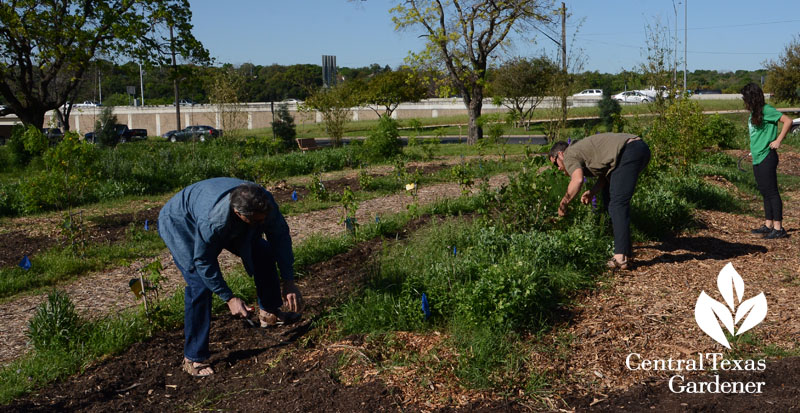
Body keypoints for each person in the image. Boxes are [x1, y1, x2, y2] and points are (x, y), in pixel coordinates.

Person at [158, 177, 303, 377]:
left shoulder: (265, 205)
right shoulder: (212, 222)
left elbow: (280, 237)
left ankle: (269, 312)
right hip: (181, 222)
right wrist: (229, 298)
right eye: (256, 221)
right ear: (239, 214)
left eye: (263, 219)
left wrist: (289, 280)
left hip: (214, 210)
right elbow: (203, 261)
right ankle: (193, 357)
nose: (262, 224)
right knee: (199, 284)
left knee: (263, 250)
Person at [549, 133, 651, 270]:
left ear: (560, 154)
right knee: (610, 198)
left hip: (629, 151)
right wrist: (592, 193)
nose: (559, 168)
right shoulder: (580, 150)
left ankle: (620, 257)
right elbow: (606, 175)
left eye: (556, 163)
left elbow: (577, 180)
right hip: (637, 149)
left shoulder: (569, 155)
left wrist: (563, 204)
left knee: (617, 205)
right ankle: (626, 252)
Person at [741, 83, 792, 239]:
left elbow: (788, 121)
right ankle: (768, 224)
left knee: (771, 192)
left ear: (752, 97)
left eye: (745, 97)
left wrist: (778, 141)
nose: (744, 100)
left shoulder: (767, 110)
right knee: (764, 192)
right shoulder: (754, 113)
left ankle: (778, 228)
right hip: (757, 156)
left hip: (767, 156)